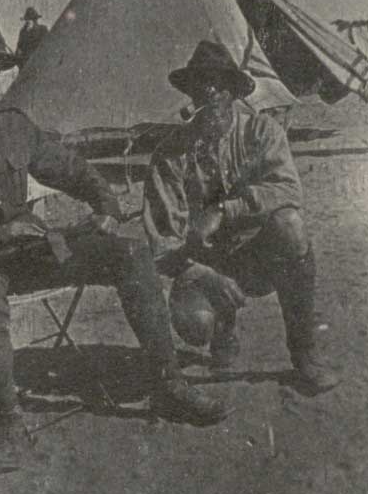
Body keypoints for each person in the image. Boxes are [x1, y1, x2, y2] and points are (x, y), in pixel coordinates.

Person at [0, 14, 230, 473]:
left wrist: (105, 202)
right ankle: (10, 424)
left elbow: (66, 166)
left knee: (129, 252)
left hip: (30, 251)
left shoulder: (13, 123)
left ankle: (168, 385)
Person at [143, 40, 339, 395]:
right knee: (195, 325)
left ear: (234, 91)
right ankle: (222, 329)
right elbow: (162, 243)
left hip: (258, 257)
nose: (210, 91)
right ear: (191, 94)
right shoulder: (169, 154)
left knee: (291, 226)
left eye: (219, 83)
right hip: (201, 265)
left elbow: (287, 191)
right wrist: (204, 275)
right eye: (201, 83)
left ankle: (305, 354)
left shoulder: (261, 132)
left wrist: (223, 209)